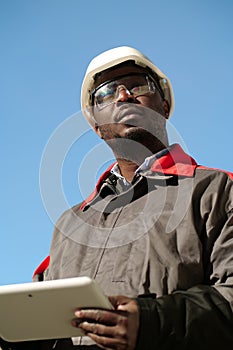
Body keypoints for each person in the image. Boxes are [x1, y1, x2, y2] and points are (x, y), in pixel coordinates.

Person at [1, 46, 233, 350]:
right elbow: (42, 323)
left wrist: (153, 323)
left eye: (137, 84)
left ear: (163, 106)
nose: (123, 96)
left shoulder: (217, 190)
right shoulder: (69, 225)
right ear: (97, 127)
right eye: (107, 93)